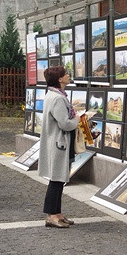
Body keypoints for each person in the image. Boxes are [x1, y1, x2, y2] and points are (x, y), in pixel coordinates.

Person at [38, 66, 80, 228]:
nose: (68, 76)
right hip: (59, 144)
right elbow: (65, 124)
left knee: (59, 180)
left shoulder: (55, 95)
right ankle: (51, 215)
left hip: (59, 143)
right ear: (60, 79)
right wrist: (78, 119)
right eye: (65, 74)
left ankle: (57, 213)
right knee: (56, 180)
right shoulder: (58, 98)